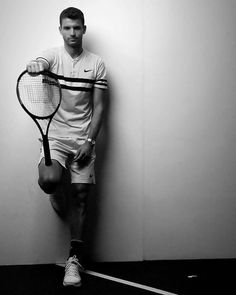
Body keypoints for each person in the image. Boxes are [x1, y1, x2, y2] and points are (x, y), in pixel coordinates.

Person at [26, 7, 108, 287]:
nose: (72, 33)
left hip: (83, 138)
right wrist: (36, 64)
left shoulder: (96, 63)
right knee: (49, 181)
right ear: (60, 30)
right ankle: (57, 189)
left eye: (77, 27)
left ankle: (74, 260)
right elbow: (39, 61)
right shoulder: (51, 56)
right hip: (55, 136)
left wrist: (90, 140)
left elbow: (99, 107)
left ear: (84, 29)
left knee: (82, 197)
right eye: (67, 28)